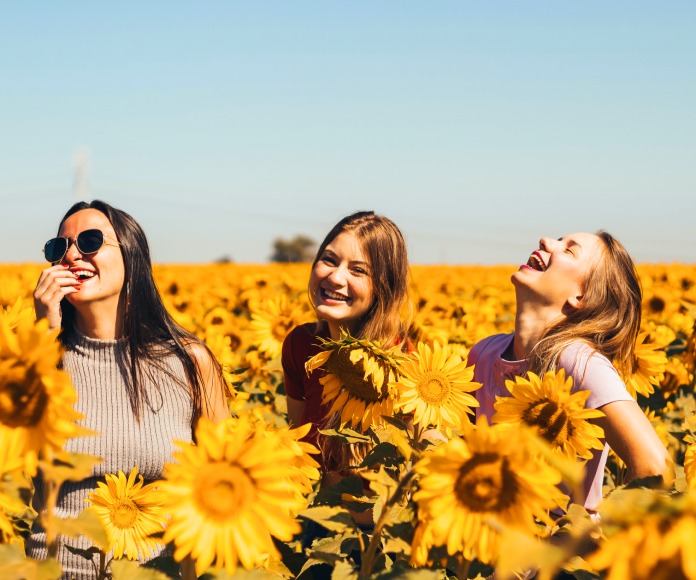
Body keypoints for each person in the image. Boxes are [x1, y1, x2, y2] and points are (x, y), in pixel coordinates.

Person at [30, 200, 229, 579]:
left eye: (89, 241)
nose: (71, 255)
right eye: (59, 248)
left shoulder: (189, 362)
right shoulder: (35, 359)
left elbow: (222, 480)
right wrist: (43, 340)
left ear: (132, 255)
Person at [468, 231, 674, 512]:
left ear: (582, 296)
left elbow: (654, 467)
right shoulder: (483, 353)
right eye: (557, 239)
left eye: (569, 250)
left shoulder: (577, 362)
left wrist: (595, 538)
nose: (545, 241)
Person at [281, 210, 412, 486]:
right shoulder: (301, 345)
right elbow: (299, 447)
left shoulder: (403, 365)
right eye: (329, 260)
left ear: (383, 287)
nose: (336, 277)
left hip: (371, 526)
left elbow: (407, 473)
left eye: (358, 270)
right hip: (310, 517)